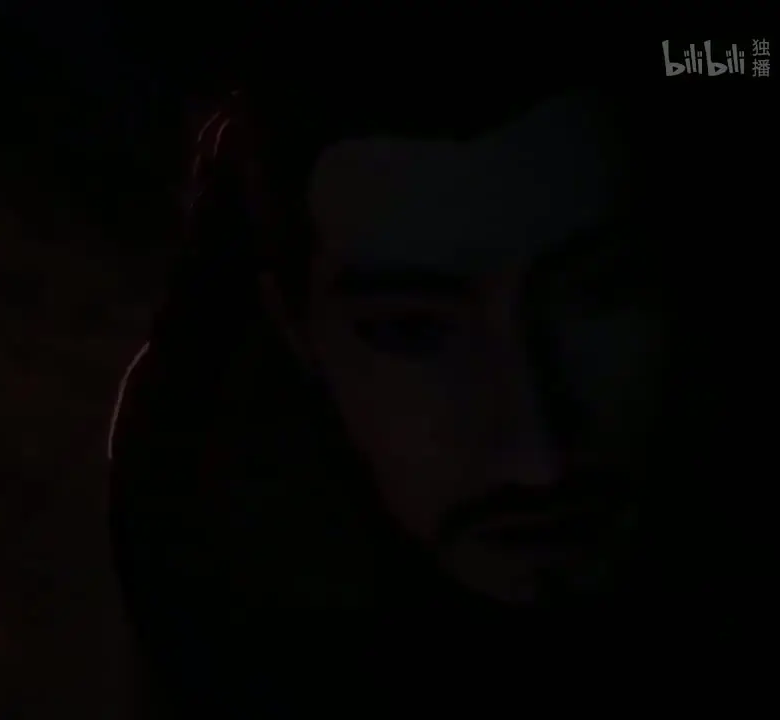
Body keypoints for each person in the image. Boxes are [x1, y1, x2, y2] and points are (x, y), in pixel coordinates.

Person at [108, 83, 741, 715]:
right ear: (297, 331)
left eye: (598, 294)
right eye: (409, 329)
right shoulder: (203, 536)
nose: (537, 457)